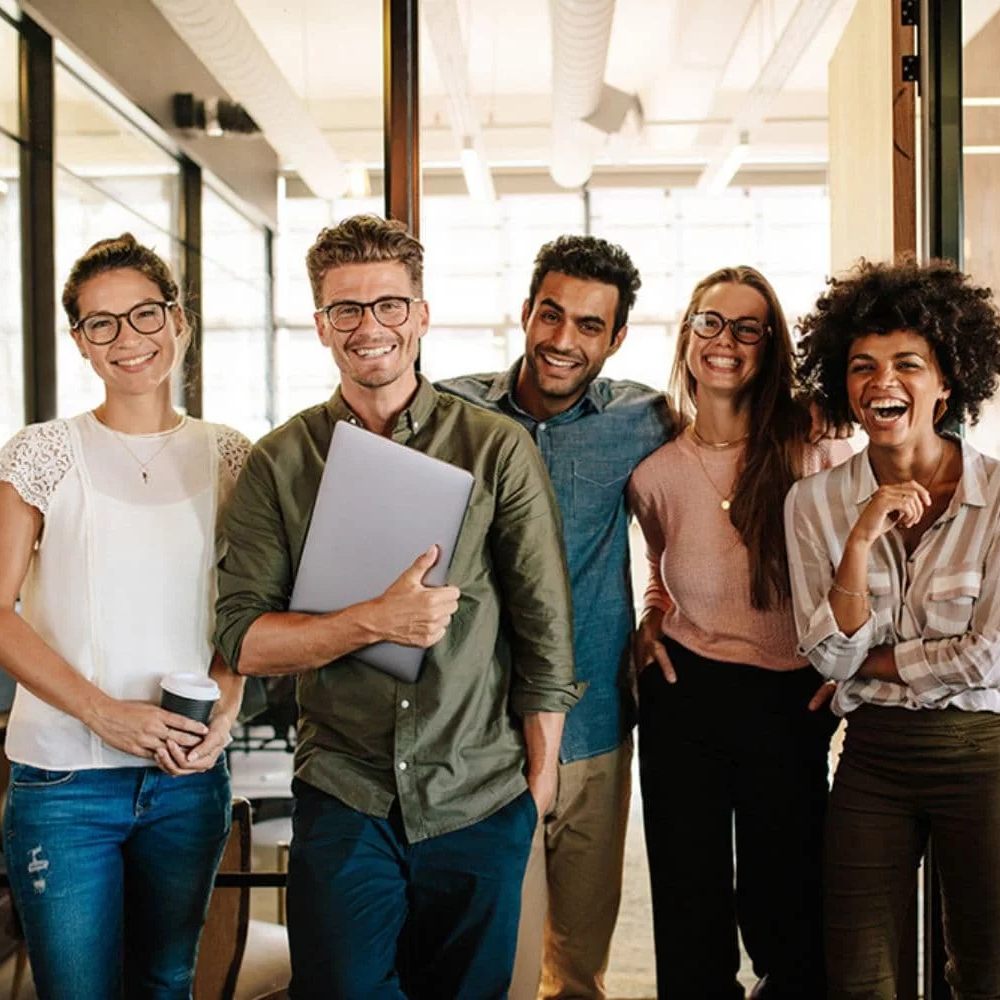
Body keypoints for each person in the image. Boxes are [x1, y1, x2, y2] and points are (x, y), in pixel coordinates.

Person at [213, 214, 581, 999]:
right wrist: (373, 622)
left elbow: (545, 635)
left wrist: (535, 795)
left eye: (388, 304)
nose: (368, 326)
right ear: (320, 326)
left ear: (419, 314)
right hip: (347, 793)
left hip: (479, 794)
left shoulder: (494, 448)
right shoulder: (280, 462)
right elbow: (243, 639)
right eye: (346, 309)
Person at [0, 233, 251, 999]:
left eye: (145, 315)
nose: (129, 339)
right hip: (65, 781)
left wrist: (230, 700)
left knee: (165, 982)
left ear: (179, 322)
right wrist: (105, 714)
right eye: (102, 324)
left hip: (186, 780)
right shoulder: (43, 453)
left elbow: (249, 606)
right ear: (81, 343)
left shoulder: (229, 455)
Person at [783, 258, 1000, 1000]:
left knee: (986, 978)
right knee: (859, 978)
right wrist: (861, 537)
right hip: (873, 761)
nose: (881, 382)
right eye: (862, 366)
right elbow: (832, 658)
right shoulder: (815, 504)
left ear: (948, 380)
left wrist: (874, 663)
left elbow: (993, 657)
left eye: (907, 363)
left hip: (986, 757)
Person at [439, 235, 671, 999]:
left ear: (617, 336)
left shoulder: (645, 419)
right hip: (477, 732)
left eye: (589, 326)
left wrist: (663, 605)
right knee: (483, 958)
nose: (563, 341)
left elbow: (719, 485)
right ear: (527, 311)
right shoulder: (448, 412)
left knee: (575, 966)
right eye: (551, 315)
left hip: (595, 723)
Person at [628, 266, 848, 999]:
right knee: (689, 906)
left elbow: (861, 561)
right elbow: (663, 565)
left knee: (788, 905)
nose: (726, 341)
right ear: (688, 335)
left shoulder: (813, 444)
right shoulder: (655, 472)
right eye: (710, 323)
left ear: (769, 344)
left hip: (790, 697)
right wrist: (650, 616)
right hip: (684, 691)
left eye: (747, 327)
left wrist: (852, 661)